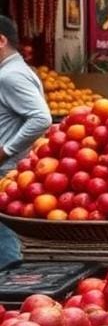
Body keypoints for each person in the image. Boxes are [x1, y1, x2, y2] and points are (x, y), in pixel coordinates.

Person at [0, 17, 52, 268]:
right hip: (11, 167)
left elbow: (41, 117)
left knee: (5, 236)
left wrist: (6, 149)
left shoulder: (10, 76)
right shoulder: (15, 71)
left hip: (6, 167)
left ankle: (9, 279)